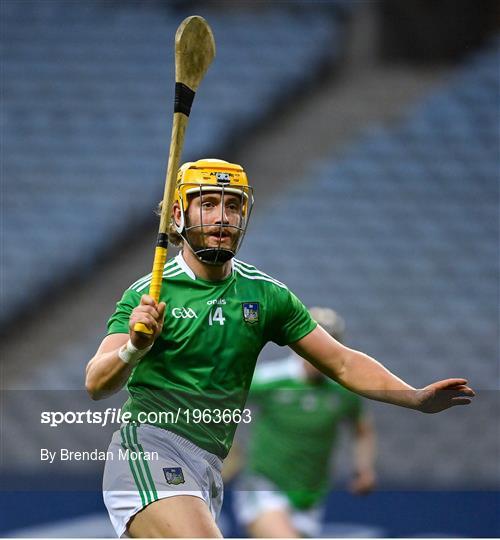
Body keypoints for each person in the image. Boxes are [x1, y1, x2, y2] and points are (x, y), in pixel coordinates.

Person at [85, 158, 474, 538]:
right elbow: (96, 383)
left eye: (233, 205)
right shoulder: (149, 293)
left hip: (207, 464)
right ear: (178, 214)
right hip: (150, 449)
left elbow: (340, 362)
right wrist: (134, 347)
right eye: (208, 204)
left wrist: (415, 397)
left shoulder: (266, 295)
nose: (223, 217)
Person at [232, 307, 376, 538]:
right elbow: (220, 401)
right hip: (265, 487)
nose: (319, 353)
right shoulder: (272, 379)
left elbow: (362, 430)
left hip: (310, 497)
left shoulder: (345, 392)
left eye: (330, 345)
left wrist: (364, 468)